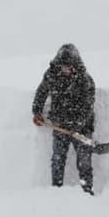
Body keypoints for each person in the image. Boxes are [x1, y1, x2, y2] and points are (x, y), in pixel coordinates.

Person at [32, 44, 96, 194]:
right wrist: (36, 111)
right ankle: (56, 191)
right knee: (57, 160)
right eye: (63, 66)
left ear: (75, 64)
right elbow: (41, 92)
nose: (65, 69)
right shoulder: (52, 74)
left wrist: (77, 125)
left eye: (69, 66)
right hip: (59, 124)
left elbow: (87, 107)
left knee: (84, 162)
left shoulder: (85, 80)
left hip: (82, 128)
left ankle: (87, 191)